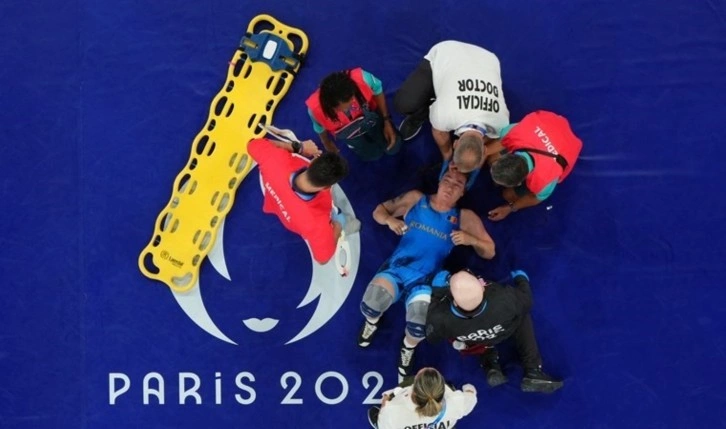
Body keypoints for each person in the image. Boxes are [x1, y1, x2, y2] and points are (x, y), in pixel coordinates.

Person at [357, 169, 495, 380]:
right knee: (371, 304)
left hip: (425, 280)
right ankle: (372, 322)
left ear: (463, 192)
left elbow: (490, 251)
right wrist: (389, 221)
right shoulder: (415, 199)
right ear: (439, 182)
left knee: (418, 328)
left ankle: (408, 348)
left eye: (457, 184)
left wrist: (472, 240)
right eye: (447, 180)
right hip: (397, 269)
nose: (450, 186)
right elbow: (379, 211)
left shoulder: (464, 217)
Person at [425, 269, 564, 393]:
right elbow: (527, 301)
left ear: (454, 302)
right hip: (504, 329)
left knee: (459, 338)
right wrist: (521, 279)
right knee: (522, 315)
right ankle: (533, 370)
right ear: (482, 287)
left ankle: (490, 364)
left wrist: (437, 294)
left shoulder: (441, 318)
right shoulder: (504, 298)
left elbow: (432, 337)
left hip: (475, 341)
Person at [394, 40, 510, 176]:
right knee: (404, 105)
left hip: (489, 58)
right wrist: (446, 155)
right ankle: (421, 113)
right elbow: (440, 133)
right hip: (447, 52)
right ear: (455, 144)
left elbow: (499, 139)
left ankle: (441, 96)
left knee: (441, 109)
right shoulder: (444, 117)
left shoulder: (502, 123)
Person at [247, 137, 359, 264]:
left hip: (276, 203)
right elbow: (322, 259)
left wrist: (298, 147)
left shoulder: (275, 160)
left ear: (312, 161)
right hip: (306, 220)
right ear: (327, 187)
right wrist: (338, 225)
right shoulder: (317, 224)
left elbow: (252, 144)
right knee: (340, 220)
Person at [485, 110, 583, 221]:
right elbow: (500, 143)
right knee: (492, 157)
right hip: (553, 122)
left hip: (569, 145)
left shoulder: (544, 182)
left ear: (519, 183)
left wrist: (510, 208)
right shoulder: (515, 133)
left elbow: (536, 198)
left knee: (508, 196)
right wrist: (479, 155)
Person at [306, 68, 401, 161]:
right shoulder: (314, 110)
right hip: (349, 134)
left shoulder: (364, 79)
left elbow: (377, 89)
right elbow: (319, 127)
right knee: (373, 155)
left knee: (394, 147)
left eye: (352, 100)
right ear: (331, 106)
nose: (350, 107)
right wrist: (326, 142)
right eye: (343, 108)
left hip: (370, 117)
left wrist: (386, 120)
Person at [367, 367, 477, 429]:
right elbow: (471, 396)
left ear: (414, 391)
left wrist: (386, 399)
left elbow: (383, 426)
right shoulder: (457, 401)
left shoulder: (392, 410)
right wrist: (468, 389)